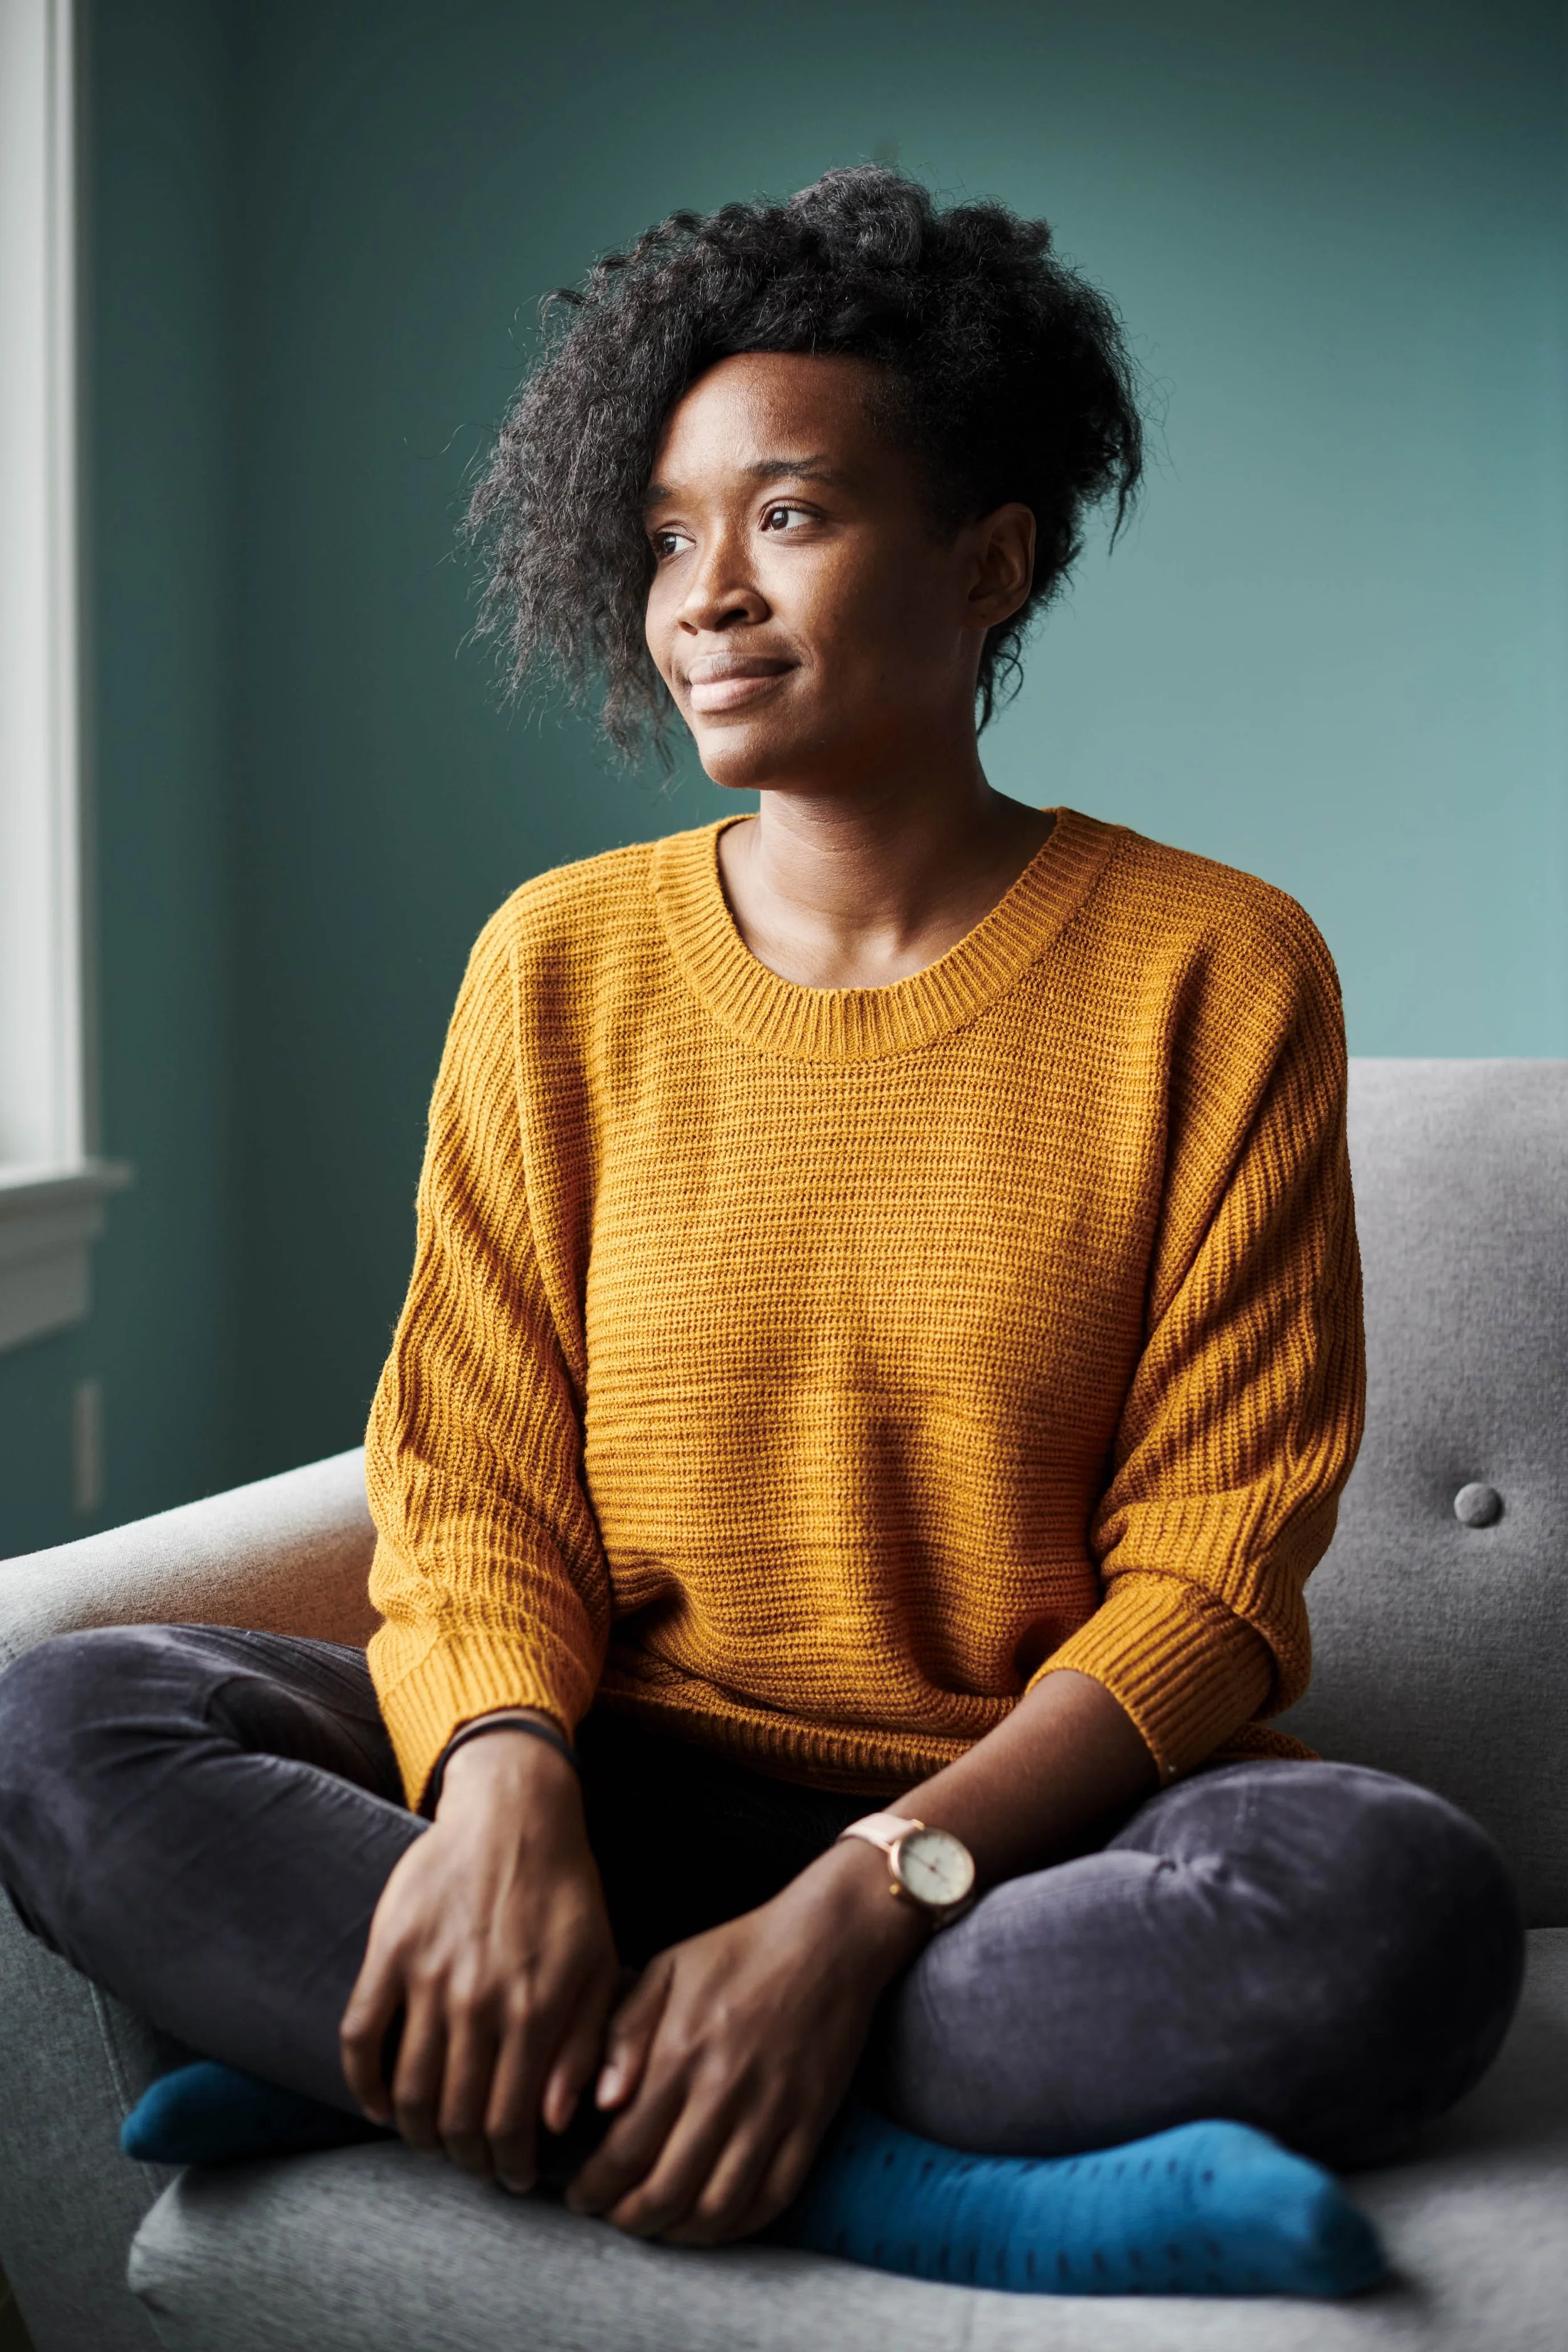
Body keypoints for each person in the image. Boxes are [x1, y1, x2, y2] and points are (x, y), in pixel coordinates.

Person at [0, 170, 1522, 2289]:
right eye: (660, 532)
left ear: (987, 562)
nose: (700, 592)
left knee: (1395, 1908)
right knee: (65, 1726)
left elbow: (1214, 1573)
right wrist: (507, 1794)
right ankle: (845, 2137)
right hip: (613, 1785)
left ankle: (475, 2059)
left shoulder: (1214, 965)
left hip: (1010, 1844)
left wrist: (852, 1904)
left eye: (787, 514)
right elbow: (470, 1479)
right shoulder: (558, 964)